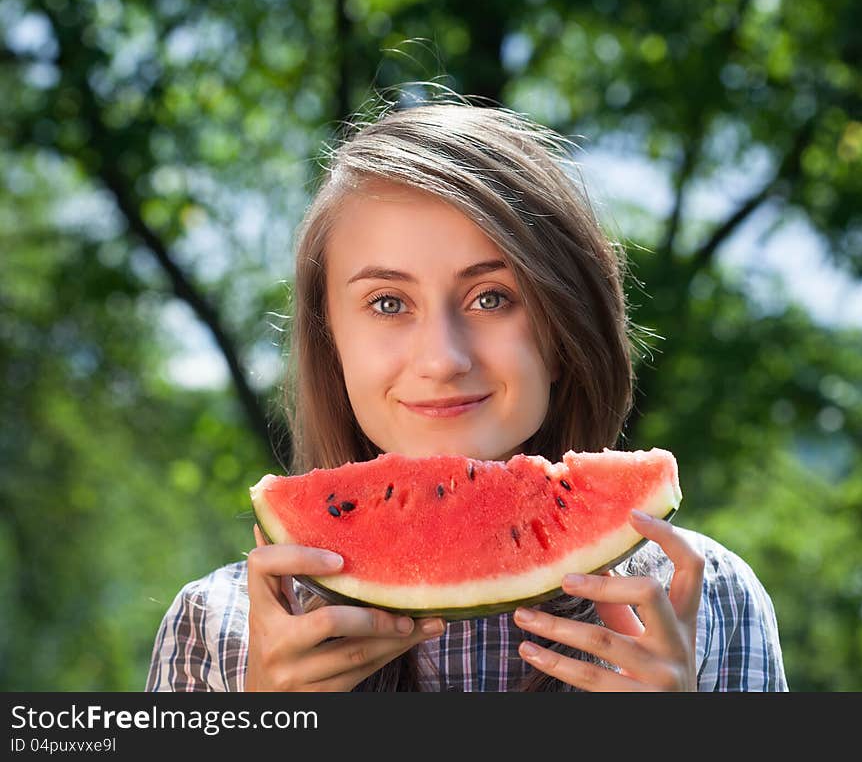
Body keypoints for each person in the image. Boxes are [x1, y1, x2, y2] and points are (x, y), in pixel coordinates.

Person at [146, 97, 787, 692]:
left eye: (492, 298)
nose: (443, 359)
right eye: (388, 303)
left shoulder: (706, 600)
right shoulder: (217, 629)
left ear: (563, 331)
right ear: (331, 341)